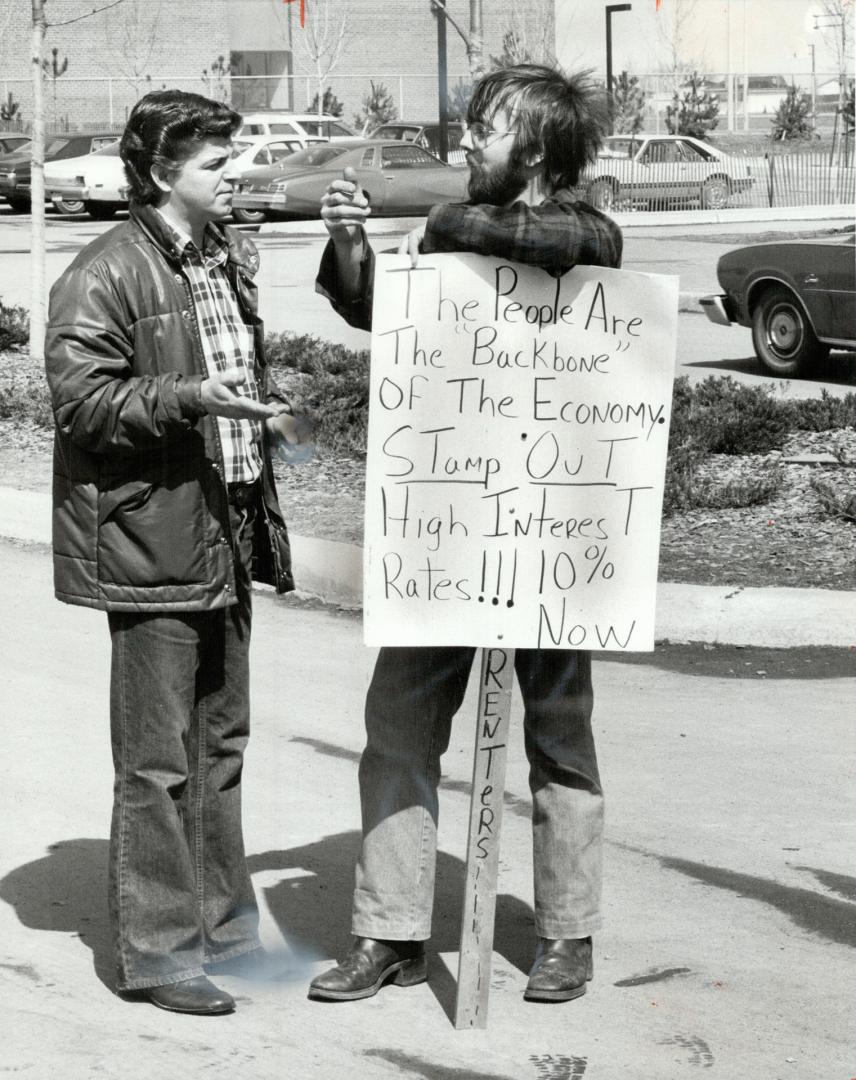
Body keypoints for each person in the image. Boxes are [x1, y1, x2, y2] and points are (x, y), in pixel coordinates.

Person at [308, 63, 622, 1006]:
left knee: (560, 738)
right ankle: (390, 930)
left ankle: (567, 933)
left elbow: (552, 238)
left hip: (552, 528)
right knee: (398, 728)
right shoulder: (455, 231)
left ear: (531, 147)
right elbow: (378, 311)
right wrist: (351, 244)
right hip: (443, 526)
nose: (464, 147)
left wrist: (435, 234)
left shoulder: (588, 226)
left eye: (483, 132)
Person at [44, 90, 298, 1016]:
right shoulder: (103, 273)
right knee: (157, 761)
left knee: (220, 743)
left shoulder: (220, 256)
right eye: (215, 165)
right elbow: (81, 406)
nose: (234, 176)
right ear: (160, 174)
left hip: (223, 527)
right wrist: (188, 397)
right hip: (152, 536)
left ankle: (225, 933)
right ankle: (158, 955)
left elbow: (228, 378)